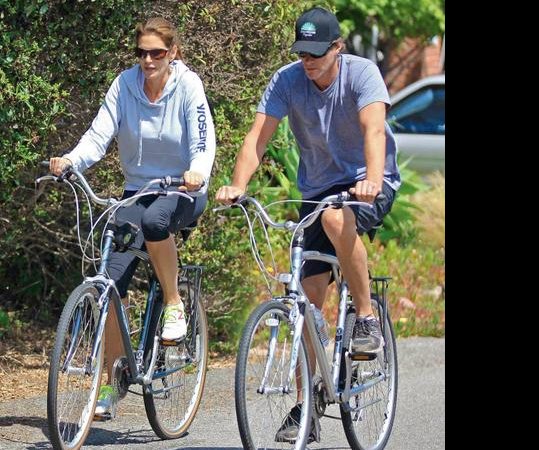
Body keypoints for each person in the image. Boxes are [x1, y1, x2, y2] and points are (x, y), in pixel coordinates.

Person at [215, 6, 400, 443]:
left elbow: (374, 130)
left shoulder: (362, 74)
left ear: (337, 47)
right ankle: (308, 406)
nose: (308, 60)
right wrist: (237, 185)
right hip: (316, 188)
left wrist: (372, 180)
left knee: (339, 219)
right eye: (302, 52)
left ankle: (367, 316)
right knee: (306, 298)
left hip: (367, 182)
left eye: (318, 52)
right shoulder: (286, 80)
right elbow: (257, 138)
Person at [49, 17, 216, 420]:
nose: (148, 60)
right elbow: (98, 133)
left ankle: (174, 303)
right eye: (141, 52)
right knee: (109, 280)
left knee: (158, 222)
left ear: (172, 53)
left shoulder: (188, 87)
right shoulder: (124, 85)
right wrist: (72, 160)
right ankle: (115, 378)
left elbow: (202, 139)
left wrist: (197, 171)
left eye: (157, 52)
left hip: (182, 189)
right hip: (137, 191)